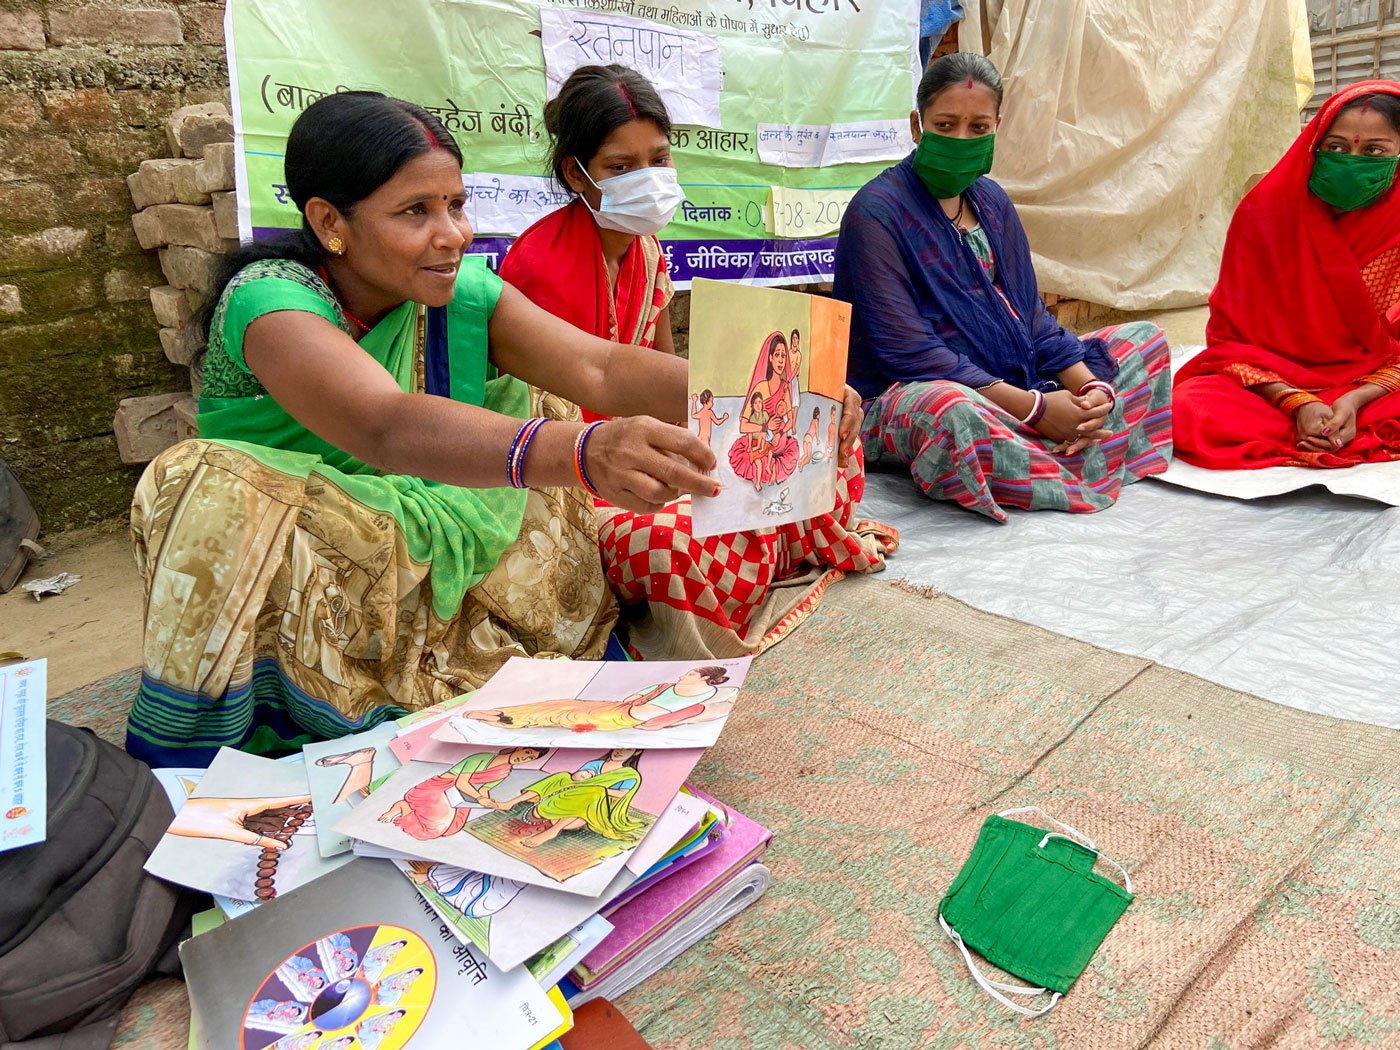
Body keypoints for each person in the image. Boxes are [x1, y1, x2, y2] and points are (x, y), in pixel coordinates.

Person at [126, 91, 717, 767]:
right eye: (416, 212)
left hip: (441, 536)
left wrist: (771, 387)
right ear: (329, 221)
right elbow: (385, 425)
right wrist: (586, 450)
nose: (453, 234)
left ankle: (453, 656)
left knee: (542, 408)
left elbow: (599, 367)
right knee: (200, 480)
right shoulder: (271, 301)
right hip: (315, 564)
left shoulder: (462, 293)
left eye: (457, 206)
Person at [499, 64, 894, 658]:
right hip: (576, 471)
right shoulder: (538, 269)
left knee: (827, 435)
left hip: (647, 441)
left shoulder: (646, 250)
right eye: (621, 167)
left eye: (659, 159)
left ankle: (764, 535)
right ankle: (727, 583)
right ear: (575, 175)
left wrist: (778, 408)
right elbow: (562, 408)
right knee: (666, 542)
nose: (649, 178)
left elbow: (664, 373)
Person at [835, 53, 1173, 520]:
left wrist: (1093, 391)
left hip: (1013, 381)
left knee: (1146, 342)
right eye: (946, 124)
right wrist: (1034, 407)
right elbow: (906, 351)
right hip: (911, 393)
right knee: (949, 411)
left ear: (997, 125)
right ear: (917, 125)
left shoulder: (991, 201)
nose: (960, 138)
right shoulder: (877, 213)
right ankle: (1074, 448)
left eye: (977, 128)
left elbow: (1031, 317)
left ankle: (1064, 439)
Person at [1174, 81, 1400, 468]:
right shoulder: (1263, 214)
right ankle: (1319, 423)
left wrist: (1354, 399)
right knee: (1187, 410)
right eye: (1337, 148)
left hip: (1369, 375)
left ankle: (1341, 420)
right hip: (1271, 377)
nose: (1351, 160)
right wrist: (1296, 400)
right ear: (1314, 146)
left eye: (1373, 151)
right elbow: (1229, 338)